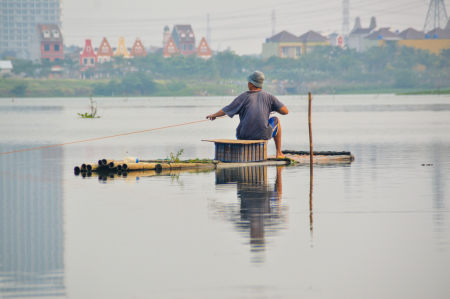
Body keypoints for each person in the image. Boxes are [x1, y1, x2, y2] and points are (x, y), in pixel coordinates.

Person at [206, 71, 289, 158]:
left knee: (242, 129)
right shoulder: (269, 96)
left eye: (249, 82)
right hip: (263, 135)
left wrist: (213, 115)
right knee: (277, 120)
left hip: (243, 135)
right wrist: (273, 108)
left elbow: (226, 110)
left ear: (253, 84)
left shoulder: (243, 96)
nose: (248, 83)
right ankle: (279, 153)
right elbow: (285, 111)